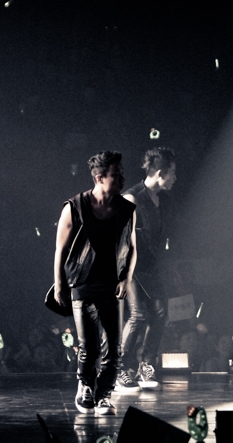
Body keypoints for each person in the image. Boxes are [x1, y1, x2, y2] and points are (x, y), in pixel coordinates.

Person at [52, 151, 137, 415]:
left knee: (114, 347)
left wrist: (126, 278)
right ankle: (85, 386)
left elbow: (133, 247)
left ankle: (104, 395)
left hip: (112, 284)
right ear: (100, 178)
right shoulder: (75, 206)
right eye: (116, 175)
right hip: (82, 283)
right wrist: (59, 284)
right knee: (88, 346)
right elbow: (60, 249)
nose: (122, 179)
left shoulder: (126, 208)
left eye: (121, 174)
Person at [118, 147, 177, 391]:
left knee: (160, 315)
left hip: (152, 265)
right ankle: (119, 368)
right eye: (172, 173)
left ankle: (147, 366)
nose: (175, 178)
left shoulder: (163, 200)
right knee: (138, 315)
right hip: (132, 266)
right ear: (160, 173)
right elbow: (121, 240)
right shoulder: (132, 198)